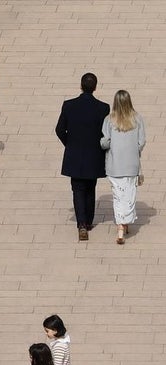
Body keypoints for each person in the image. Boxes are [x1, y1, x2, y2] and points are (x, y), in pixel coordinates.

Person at [55, 73, 110, 241]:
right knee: (90, 188)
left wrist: (69, 144)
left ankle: (81, 224)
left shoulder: (69, 105)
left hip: (75, 155)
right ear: (95, 87)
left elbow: (59, 130)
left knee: (78, 189)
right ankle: (89, 220)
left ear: (81, 86)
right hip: (94, 156)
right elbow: (106, 134)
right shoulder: (103, 108)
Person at [101, 89, 146, 245]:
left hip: (115, 164)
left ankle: (121, 226)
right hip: (131, 164)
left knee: (118, 196)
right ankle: (124, 223)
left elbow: (105, 142)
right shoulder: (137, 119)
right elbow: (141, 142)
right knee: (129, 195)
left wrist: (103, 144)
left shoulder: (109, 120)